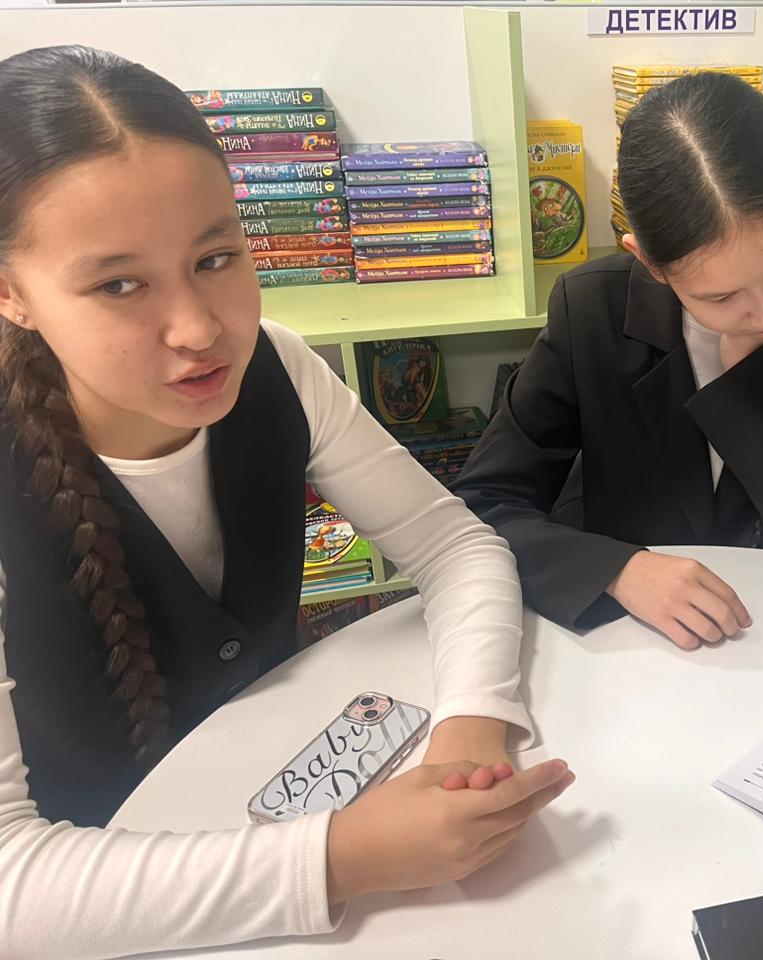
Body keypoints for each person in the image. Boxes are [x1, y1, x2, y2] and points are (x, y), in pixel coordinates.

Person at [0, 45, 573, 958]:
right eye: (119, 284)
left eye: (217, 257)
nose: (199, 329)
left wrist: (472, 721)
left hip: (270, 804)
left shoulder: (278, 367)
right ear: (12, 293)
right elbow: (13, 888)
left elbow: (455, 548)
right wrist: (340, 858)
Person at [454, 72, 763, 649]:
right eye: (722, 297)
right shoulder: (592, 308)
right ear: (649, 262)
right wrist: (618, 570)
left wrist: (752, 383)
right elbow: (484, 507)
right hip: (628, 637)